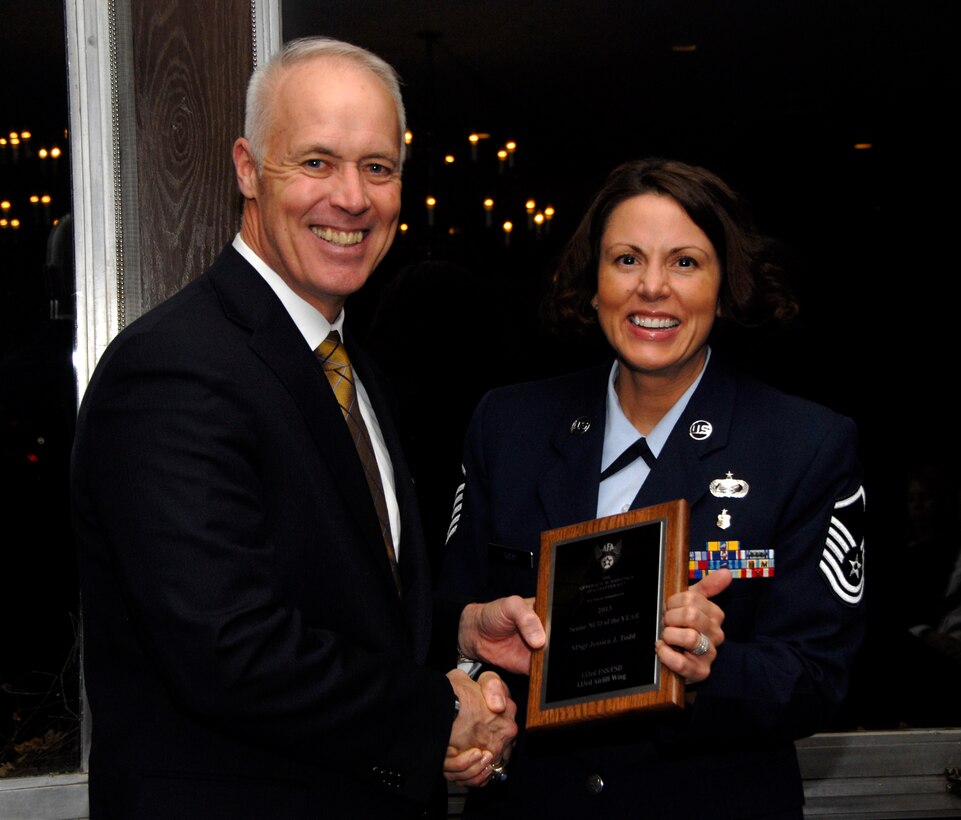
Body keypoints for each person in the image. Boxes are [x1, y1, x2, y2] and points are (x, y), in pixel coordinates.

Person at [70, 36, 543, 819]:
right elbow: (228, 648)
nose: (353, 198)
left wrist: (458, 633)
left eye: (378, 167)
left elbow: (337, 599)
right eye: (316, 162)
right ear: (249, 169)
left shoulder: (348, 365)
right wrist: (435, 713)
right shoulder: (173, 370)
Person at [436, 157, 867, 818]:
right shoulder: (509, 426)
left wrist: (706, 669)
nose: (653, 288)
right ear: (593, 281)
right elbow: (441, 618)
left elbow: (815, 678)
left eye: (686, 262)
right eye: (627, 260)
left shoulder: (803, 445)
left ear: (725, 288)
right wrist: (470, 678)